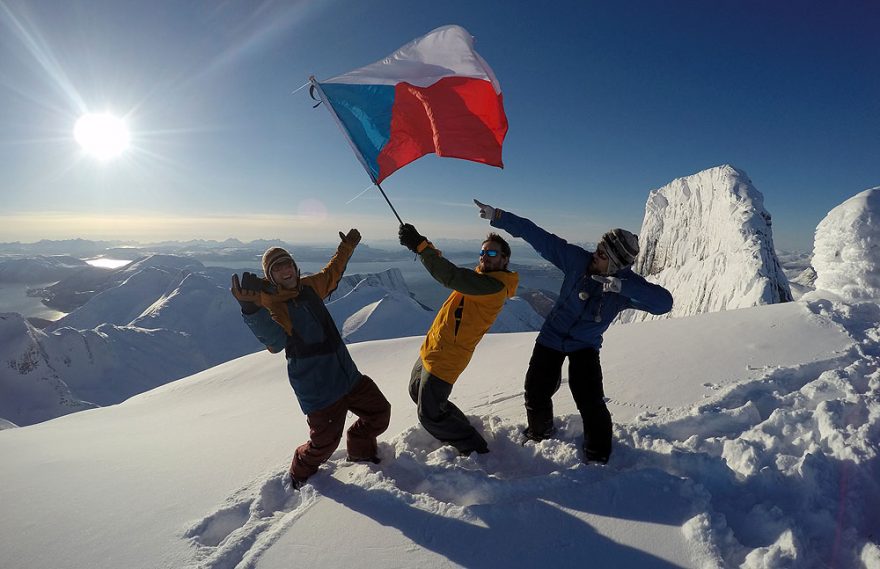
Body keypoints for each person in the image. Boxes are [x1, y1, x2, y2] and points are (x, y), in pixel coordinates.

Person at [473, 199, 673, 464]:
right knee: (536, 391)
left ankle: (598, 455)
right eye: (598, 248)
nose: (595, 255)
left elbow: (664, 303)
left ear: (616, 264)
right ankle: (540, 433)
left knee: (590, 401)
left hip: (585, 346)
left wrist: (622, 287)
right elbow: (539, 237)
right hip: (551, 337)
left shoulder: (624, 286)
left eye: (603, 254)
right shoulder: (577, 260)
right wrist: (499, 216)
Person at [230, 230, 391, 488]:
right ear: (270, 276)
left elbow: (331, 273)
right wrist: (251, 310)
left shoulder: (308, 287)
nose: (285, 270)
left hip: (347, 376)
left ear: (295, 267)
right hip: (319, 390)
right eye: (277, 268)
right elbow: (275, 342)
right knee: (323, 445)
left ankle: (360, 452)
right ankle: (299, 476)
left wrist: (346, 247)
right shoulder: (274, 304)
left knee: (379, 412)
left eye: (287, 264)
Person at [398, 223, 519, 455]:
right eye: (483, 251)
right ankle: (463, 429)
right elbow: (451, 270)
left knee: (430, 415)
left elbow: (451, 276)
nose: (485, 256)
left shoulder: (492, 287)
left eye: (492, 253)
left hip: (448, 357)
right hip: (432, 348)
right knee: (416, 391)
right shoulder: (481, 278)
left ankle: (475, 449)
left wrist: (420, 246)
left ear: (505, 259)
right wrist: (424, 245)